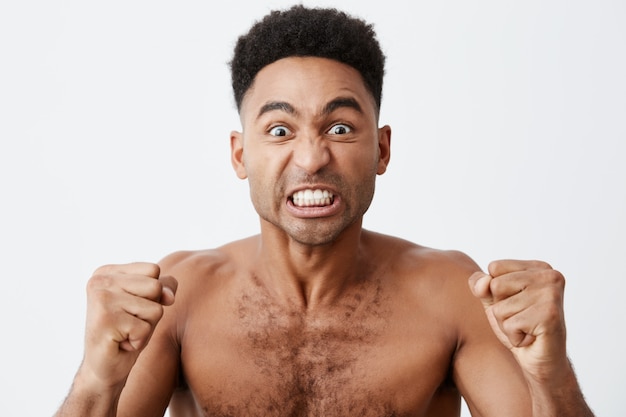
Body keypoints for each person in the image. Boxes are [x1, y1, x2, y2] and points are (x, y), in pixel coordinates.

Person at [55, 5, 594, 417]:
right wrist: (95, 381)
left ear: (381, 149)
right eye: (280, 130)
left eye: (339, 128)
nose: (312, 158)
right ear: (242, 155)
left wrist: (551, 376)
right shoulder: (181, 297)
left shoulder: (452, 294)